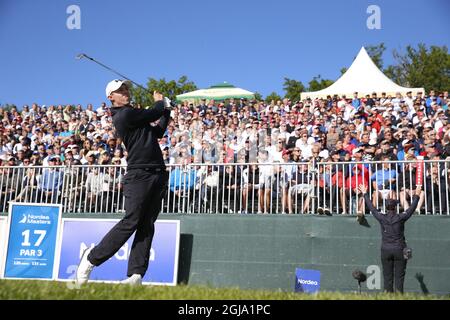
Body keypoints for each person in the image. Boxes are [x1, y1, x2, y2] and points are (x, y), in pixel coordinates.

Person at [76, 79, 172, 285]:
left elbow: (158, 131)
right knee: (131, 221)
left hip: (157, 173)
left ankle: (136, 275)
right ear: (111, 97)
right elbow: (153, 112)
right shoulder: (124, 114)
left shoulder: (135, 116)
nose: (125, 92)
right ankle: (91, 258)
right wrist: (160, 103)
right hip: (139, 175)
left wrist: (167, 111)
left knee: (147, 225)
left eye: (126, 89)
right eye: (120, 91)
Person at [357, 183, 422, 293]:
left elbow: (372, 208)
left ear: (386, 208)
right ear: (395, 207)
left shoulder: (382, 217)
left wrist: (365, 194)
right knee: (399, 278)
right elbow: (411, 209)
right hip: (399, 250)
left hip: (386, 250)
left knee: (387, 278)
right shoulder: (401, 217)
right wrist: (416, 195)